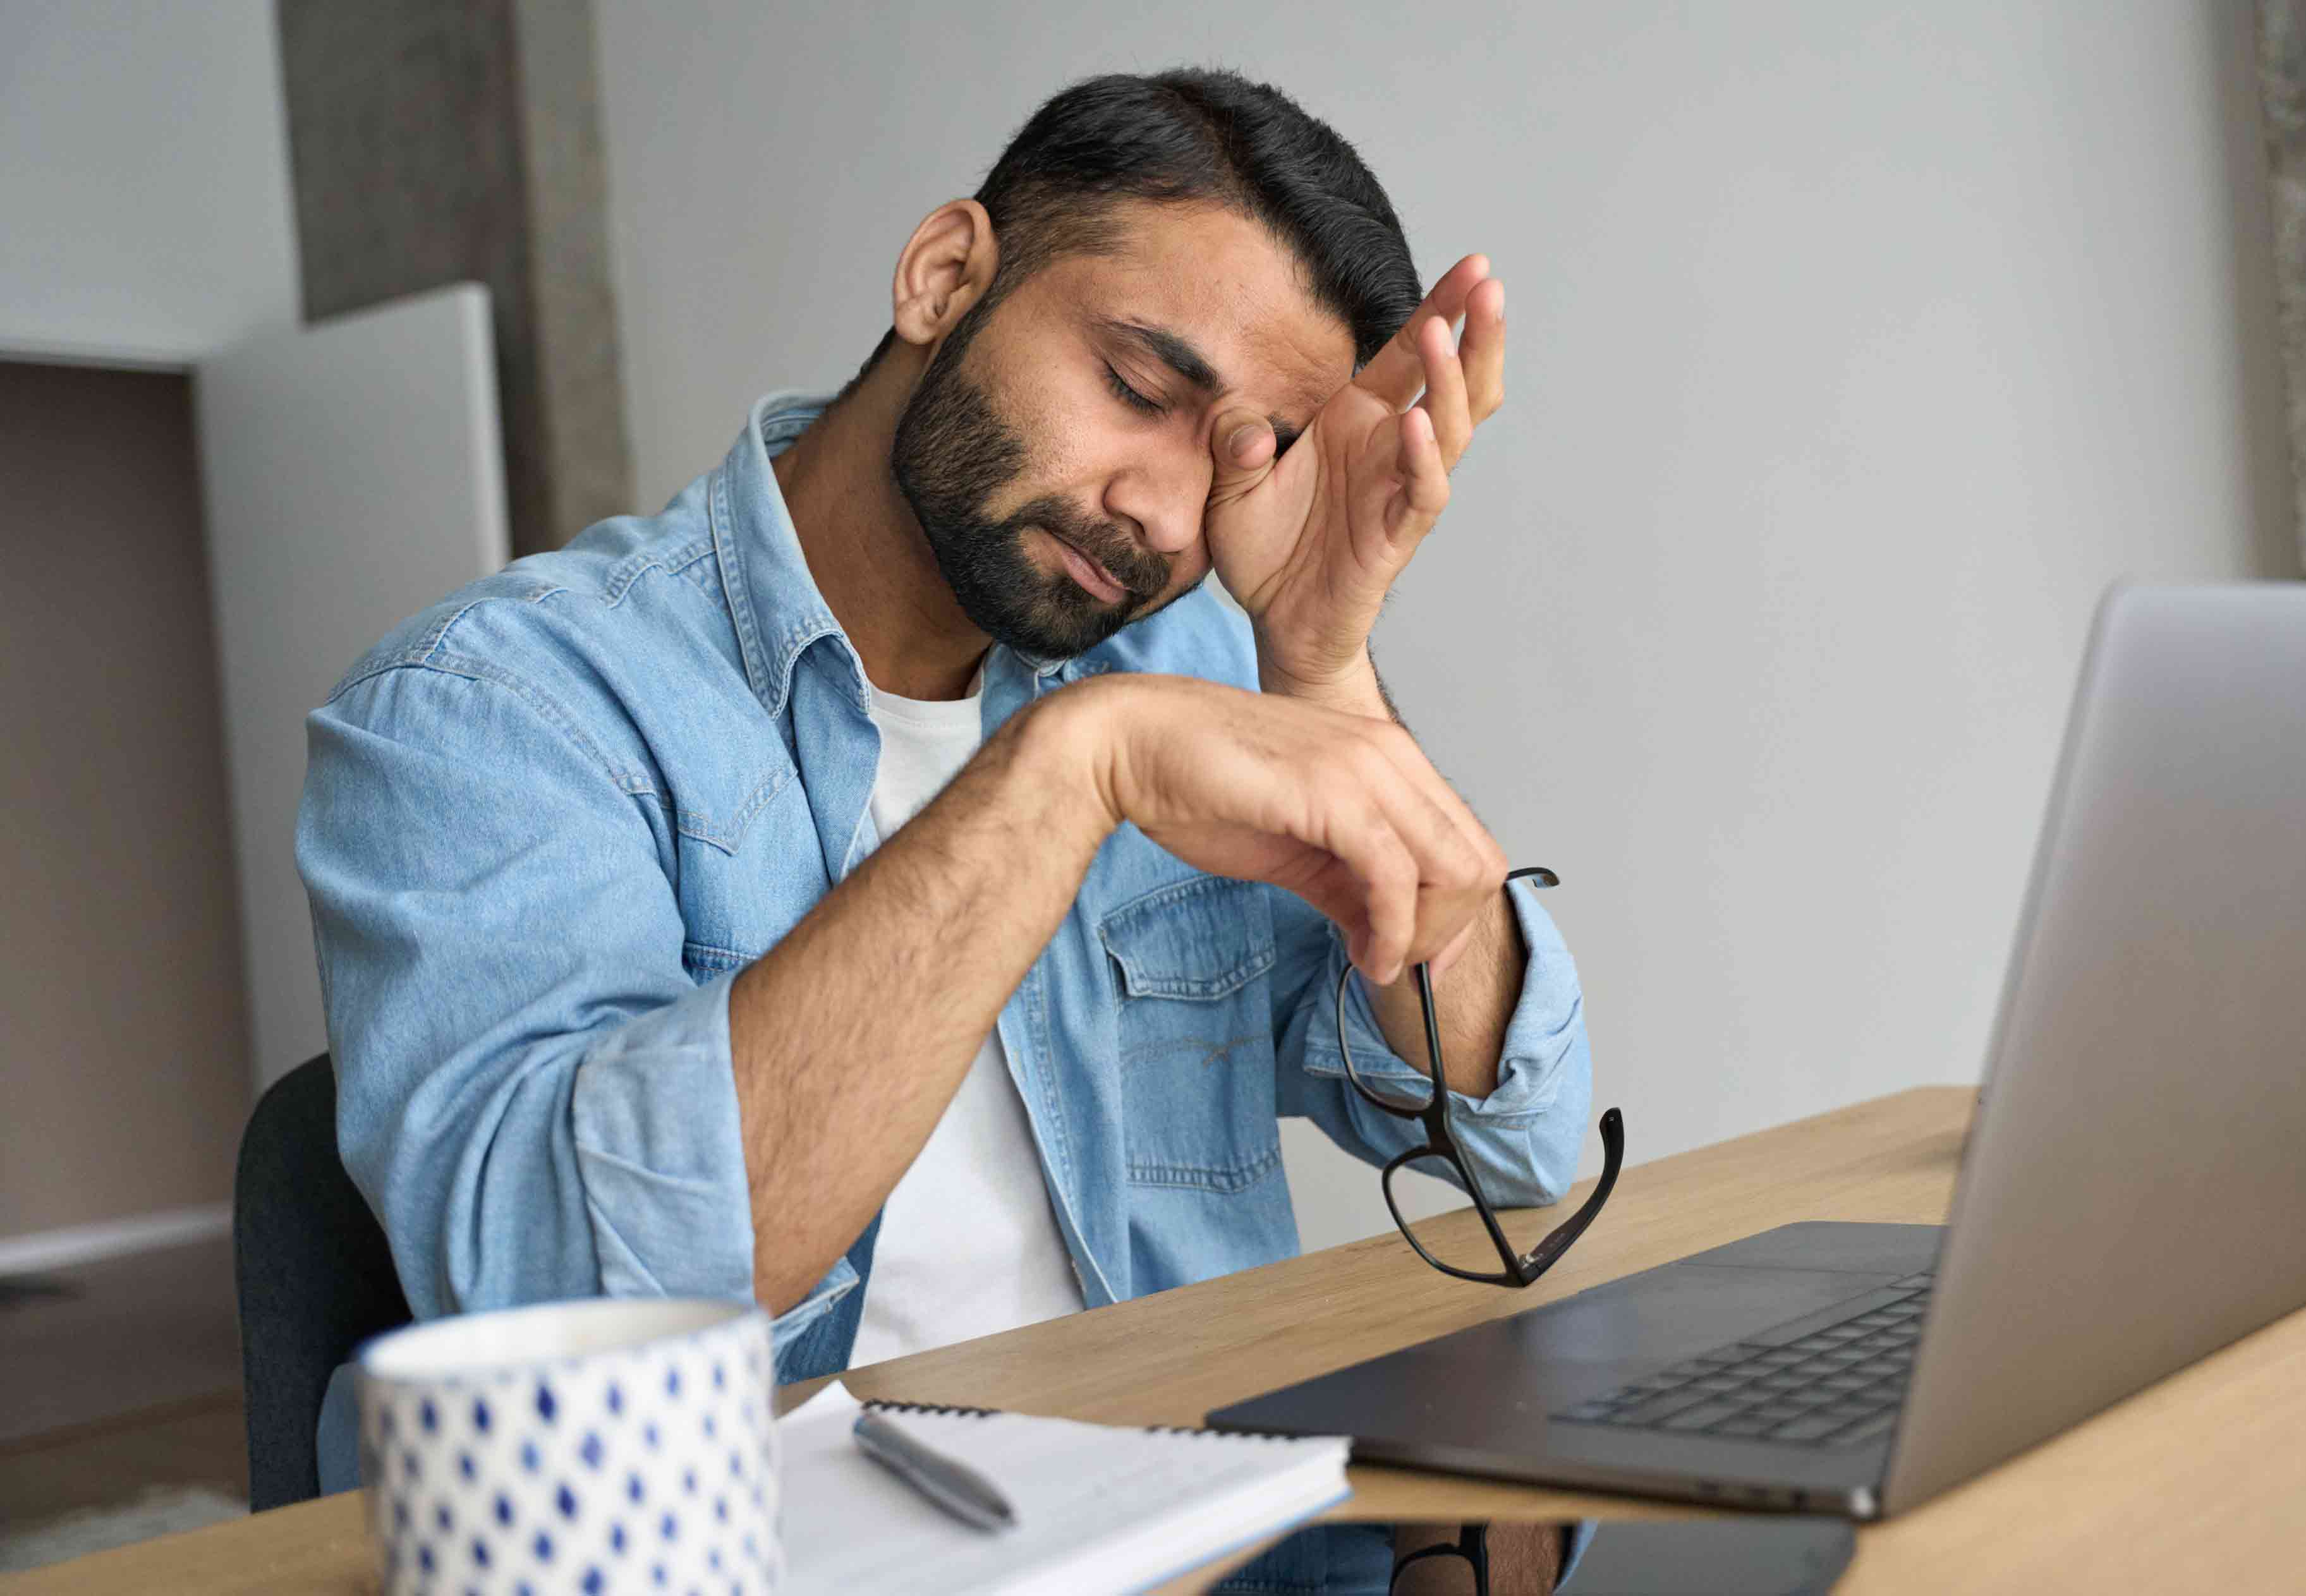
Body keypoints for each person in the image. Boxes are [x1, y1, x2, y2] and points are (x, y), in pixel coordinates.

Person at [296, 68, 1592, 1593]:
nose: (1167, 515)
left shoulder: (1186, 671)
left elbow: (1501, 1128)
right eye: (1140, 388)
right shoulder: (496, 709)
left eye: (1242, 454)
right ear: (944, 277)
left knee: (1592, 1494)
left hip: (1196, 1535)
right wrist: (1066, 772)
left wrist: (1322, 661)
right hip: (775, 1563)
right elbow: (565, 1291)